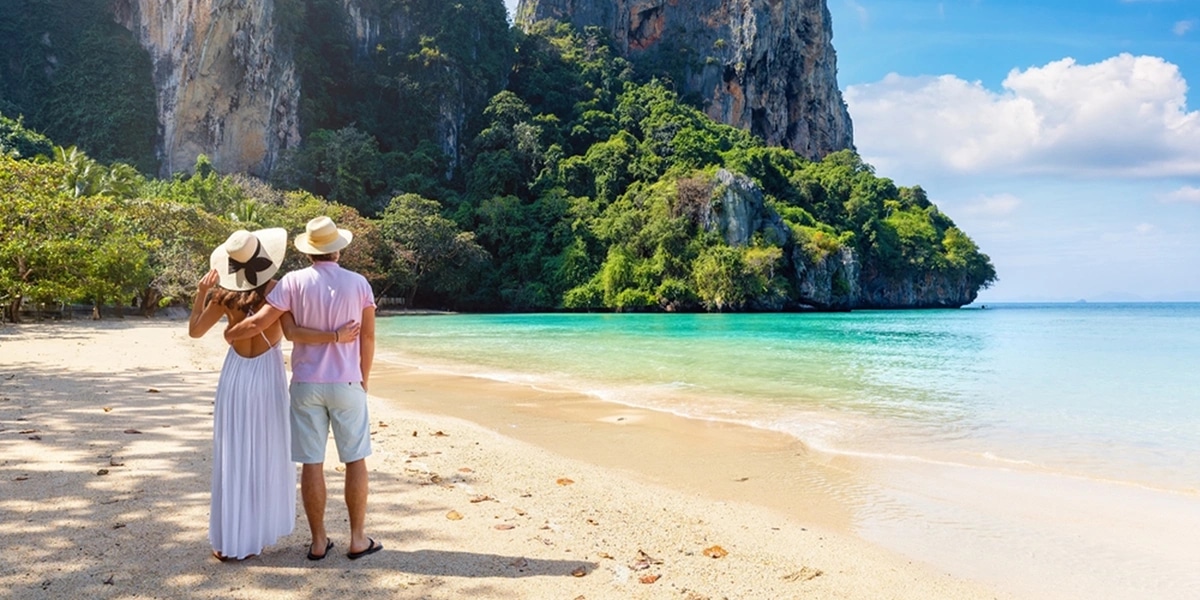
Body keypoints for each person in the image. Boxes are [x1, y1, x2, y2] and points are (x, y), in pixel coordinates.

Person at [188, 228, 359, 562]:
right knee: (263, 452)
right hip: (266, 376)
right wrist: (336, 336)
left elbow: (195, 331)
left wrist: (201, 293)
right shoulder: (278, 290)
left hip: (235, 375)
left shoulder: (223, 296)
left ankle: (230, 538)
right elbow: (294, 333)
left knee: (234, 453)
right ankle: (255, 534)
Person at [224, 216, 380, 561]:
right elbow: (368, 337)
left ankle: (319, 542)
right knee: (355, 459)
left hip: (306, 384)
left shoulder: (292, 282)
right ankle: (357, 539)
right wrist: (363, 376)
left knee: (313, 463)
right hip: (346, 381)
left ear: (309, 251)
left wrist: (231, 334)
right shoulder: (359, 284)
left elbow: (261, 322)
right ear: (337, 249)